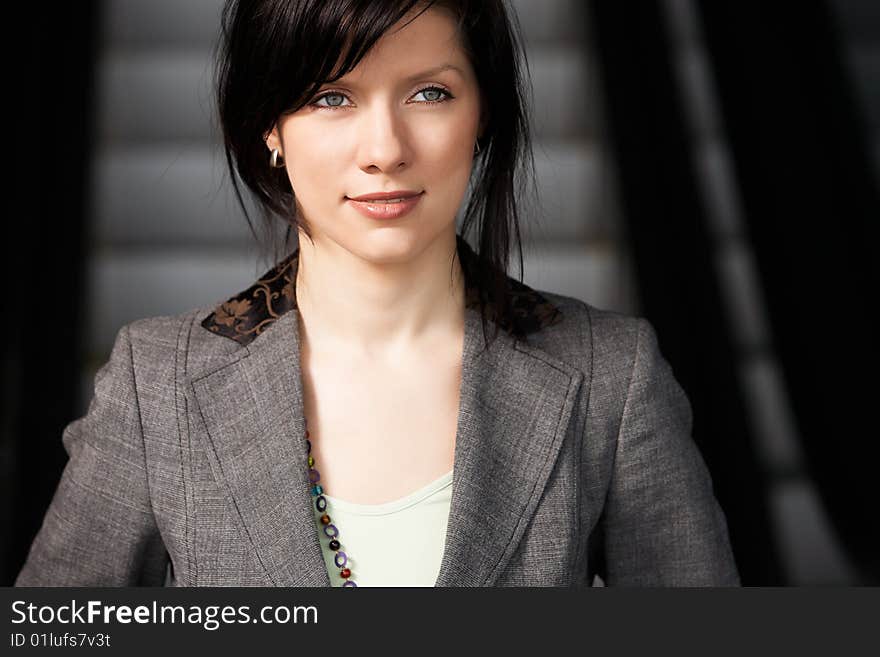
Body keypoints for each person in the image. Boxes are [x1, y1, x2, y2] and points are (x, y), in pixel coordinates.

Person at [15, 0, 739, 587]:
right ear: (269, 124)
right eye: (332, 97)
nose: (385, 148)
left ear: (481, 115)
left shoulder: (611, 375)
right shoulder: (157, 383)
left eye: (431, 93)